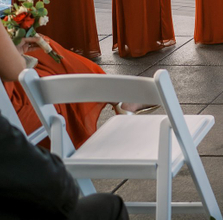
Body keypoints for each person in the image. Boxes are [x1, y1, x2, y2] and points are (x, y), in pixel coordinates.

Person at [0, 34, 129, 220]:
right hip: (13, 111)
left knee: (43, 52)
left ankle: (115, 93)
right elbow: (16, 71)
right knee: (110, 206)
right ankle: (116, 93)